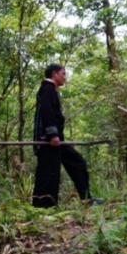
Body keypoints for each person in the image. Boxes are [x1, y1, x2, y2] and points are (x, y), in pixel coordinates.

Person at [32, 64, 103, 208]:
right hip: (48, 140)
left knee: (77, 163)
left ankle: (86, 198)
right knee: (48, 172)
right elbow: (47, 111)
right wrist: (52, 134)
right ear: (54, 74)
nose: (64, 77)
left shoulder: (52, 90)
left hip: (58, 139)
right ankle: (43, 206)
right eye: (63, 74)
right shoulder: (47, 89)